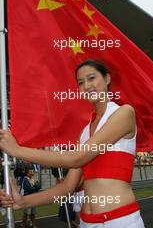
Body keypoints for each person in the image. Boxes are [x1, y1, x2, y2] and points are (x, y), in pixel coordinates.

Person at [0, 59, 145, 227]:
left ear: (107, 79)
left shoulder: (124, 113)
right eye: (81, 82)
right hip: (87, 222)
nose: (87, 86)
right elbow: (67, 188)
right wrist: (24, 202)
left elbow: (76, 158)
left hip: (120, 220)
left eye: (92, 78)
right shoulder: (84, 133)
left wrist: (17, 150)